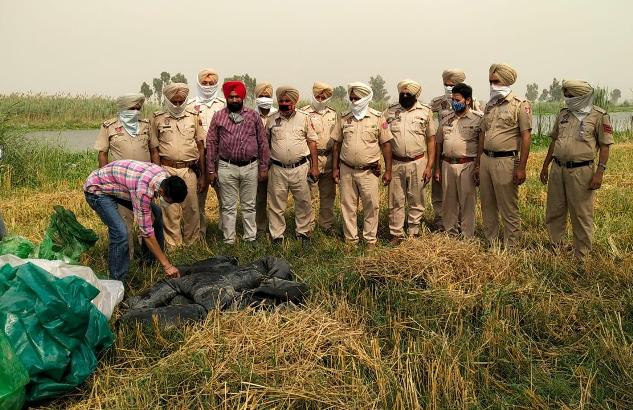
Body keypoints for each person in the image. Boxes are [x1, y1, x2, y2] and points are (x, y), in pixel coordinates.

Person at [540, 79, 613, 258]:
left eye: (571, 96)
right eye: (566, 95)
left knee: (581, 214)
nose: (567, 99)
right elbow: (554, 140)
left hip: (582, 171)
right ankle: (556, 246)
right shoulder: (564, 113)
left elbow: (605, 146)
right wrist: (545, 165)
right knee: (555, 210)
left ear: (582, 96)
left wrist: (599, 172)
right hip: (558, 169)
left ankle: (582, 254)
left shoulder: (598, 115)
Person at [83, 160, 187, 280]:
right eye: (171, 202)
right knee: (121, 232)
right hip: (97, 190)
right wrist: (168, 266)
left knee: (157, 214)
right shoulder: (142, 191)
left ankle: (150, 263)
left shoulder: (165, 176)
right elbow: (146, 233)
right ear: (163, 192)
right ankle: (117, 281)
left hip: (119, 185)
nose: (172, 205)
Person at [94, 93, 159, 259]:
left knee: (148, 220)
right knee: (124, 222)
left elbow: (153, 150)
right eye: (132, 109)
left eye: (138, 108)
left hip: (145, 184)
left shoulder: (145, 125)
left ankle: (148, 257)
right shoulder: (109, 126)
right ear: (123, 109)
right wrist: (105, 180)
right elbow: (103, 153)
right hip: (120, 184)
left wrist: (157, 178)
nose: (136, 112)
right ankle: (127, 258)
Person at [475, 63, 532, 247]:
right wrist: (478, 163)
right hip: (486, 159)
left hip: (506, 161)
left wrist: (521, 167)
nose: (492, 85)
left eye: (496, 81)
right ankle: (491, 241)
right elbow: (482, 135)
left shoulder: (520, 105)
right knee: (487, 204)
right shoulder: (489, 105)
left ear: (506, 81)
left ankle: (512, 245)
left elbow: (526, 137)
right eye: (490, 82)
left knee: (508, 206)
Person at [207, 81, 270, 244]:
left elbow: (262, 142)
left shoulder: (253, 115)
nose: (234, 100)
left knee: (249, 205)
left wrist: (263, 167)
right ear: (226, 98)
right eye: (231, 97)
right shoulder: (218, 116)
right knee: (228, 207)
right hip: (227, 167)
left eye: (237, 97)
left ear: (242, 97)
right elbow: (212, 143)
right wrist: (211, 171)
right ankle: (229, 239)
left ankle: (250, 238)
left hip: (250, 166)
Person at [332, 82, 393, 246]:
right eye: (351, 98)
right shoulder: (344, 117)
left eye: (357, 98)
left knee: (371, 206)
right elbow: (337, 145)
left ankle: (370, 240)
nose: (354, 102)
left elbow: (386, 145)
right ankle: (350, 240)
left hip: (369, 171)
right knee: (348, 206)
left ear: (366, 98)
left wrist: (388, 170)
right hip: (346, 169)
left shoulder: (378, 117)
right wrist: (335, 169)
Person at [151, 83, 206, 247]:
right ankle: (173, 245)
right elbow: (154, 149)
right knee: (169, 210)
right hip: (166, 169)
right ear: (167, 100)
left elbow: (201, 147)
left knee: (192, 208)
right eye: (174, 101)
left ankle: (192, 243)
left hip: (188, 169)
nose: (177, 105)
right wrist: (157, 174)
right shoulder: (157, 118)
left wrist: (202, 175)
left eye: (180, 101)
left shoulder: (193, 116)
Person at [382, 79, 435, 244]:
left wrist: (429, 166)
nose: (404, 96)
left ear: (415, 95)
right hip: (396, 162)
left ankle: (414, 231)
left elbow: (431, 141)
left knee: (416, 199)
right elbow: (384, 140)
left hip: (418, 162)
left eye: (408, 94)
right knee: (395, 200)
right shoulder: (389, 112)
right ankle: (396, 234)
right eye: (402, 93)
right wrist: (387, 167)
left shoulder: (425, 112)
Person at [266, 86, 319, 243]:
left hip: (300, 168)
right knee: (276, 204)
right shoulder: (271, 119)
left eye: (287, 101)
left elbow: (312, 143)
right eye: (281, 101)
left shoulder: (305, 118)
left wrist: (315, 167)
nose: (284, 103)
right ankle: (277, 236)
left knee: (303, 202)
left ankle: (303, 233)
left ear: (295, 101)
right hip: (277, 168)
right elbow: (265, 144)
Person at [434, 83, 482, 237]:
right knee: (448, 202)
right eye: (453, 99)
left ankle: (467, 235)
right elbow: (438, 144)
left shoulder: (478, 119)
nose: (454, 103)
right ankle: (451, 233)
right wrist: (436, 168)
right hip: (447, 164)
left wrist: (478, 166)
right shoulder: (446, 119)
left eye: (458, 100)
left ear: (468, 100)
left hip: (467, 164)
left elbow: (482, 145)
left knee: (467, 202)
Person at [186, 69, 226, 238]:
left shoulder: (223, 104)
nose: (208, 86)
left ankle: (225, 232)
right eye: (204, 83)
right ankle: (199, 234)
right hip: (198, 159)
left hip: (220, 158)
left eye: (211, 84)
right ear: (198, 83)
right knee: (197, 199)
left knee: (225, 197)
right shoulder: (190, 105)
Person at [300, 81, 340, 235]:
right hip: (310, 159)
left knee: (328, 194)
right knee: (307, 195)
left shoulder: (333, 114)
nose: (321, 98)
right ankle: (307, 226)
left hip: (329, 158)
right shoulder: (304, 113)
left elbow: (338, 139)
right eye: (318, 95)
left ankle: (326, 225)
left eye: (324, 96)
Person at [254, 82, 277, 236]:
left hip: (275, 164)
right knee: (258, 199)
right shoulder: (250, 114)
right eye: (261, 96)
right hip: (256, 164)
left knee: (275, 199)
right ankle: (260, 229)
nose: (264, 99)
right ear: (256, 97)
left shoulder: (277, 114)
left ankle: (275, 230)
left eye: (267, 96)